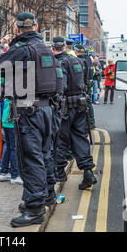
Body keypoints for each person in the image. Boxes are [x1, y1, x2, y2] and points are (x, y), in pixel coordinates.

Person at [0, 12, 58, 228]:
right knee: (44, 156)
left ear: (19, 28)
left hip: (29, 112)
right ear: (36, 27)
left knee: (31, 160)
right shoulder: (46, 49)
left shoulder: (22, 50)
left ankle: (34, 209)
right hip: (47, 110)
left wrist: (7, 44)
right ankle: (46, 196)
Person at [51, 37, 97, 190]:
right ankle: (88, 171)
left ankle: (59, 172)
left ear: (53, 48)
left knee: (61, 139)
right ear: (64, 46)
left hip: (66, 107)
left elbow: (61, 86)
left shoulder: (59, 62)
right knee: (79, 138)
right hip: (80, 105)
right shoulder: (75, 60)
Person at [74, 44, 96, 129]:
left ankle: (84, 123)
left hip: (82, 86)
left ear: (76, 51)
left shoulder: (79, 60)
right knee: (89, 104)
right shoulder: (88, 59)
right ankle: (91, 122)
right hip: (88, 85)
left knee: (82, 104)